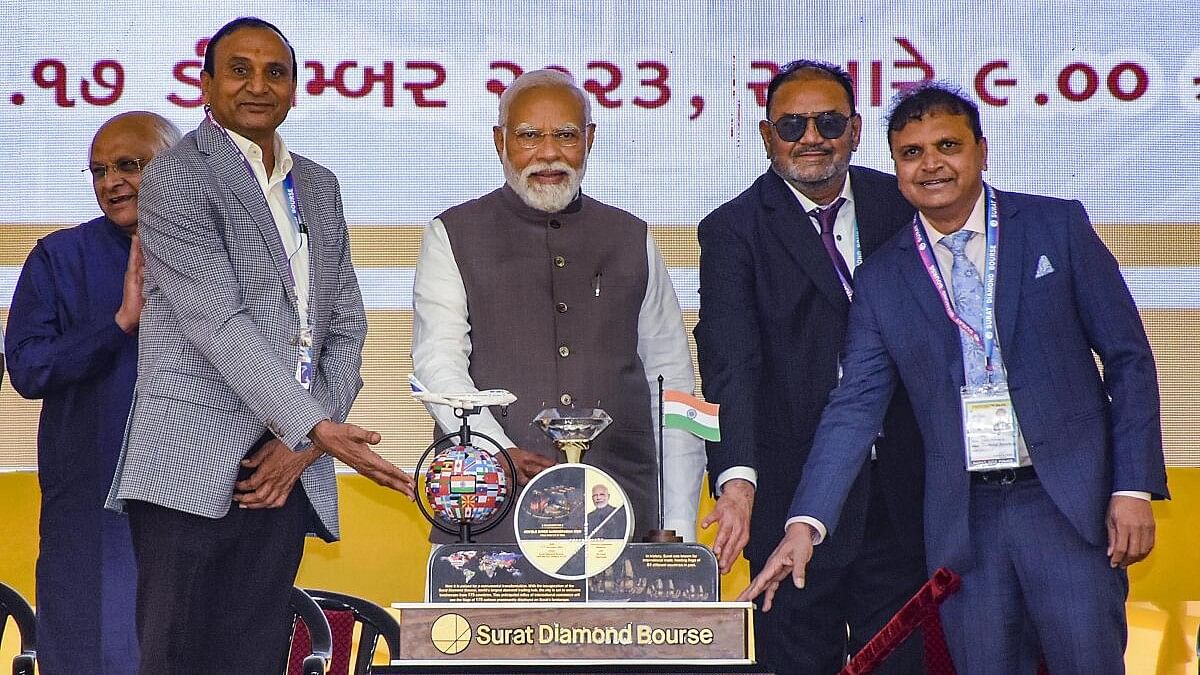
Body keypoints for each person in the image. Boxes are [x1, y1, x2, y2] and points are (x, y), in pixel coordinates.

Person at [741, 83, 1168, 673]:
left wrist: (1133, 486)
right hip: (962, 521)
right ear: (895, 168)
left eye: (948, 145)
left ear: (982, 151)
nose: (931, 163)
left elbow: (1129, 360)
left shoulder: (1055, 227)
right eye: (912, 152)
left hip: (1067, 506)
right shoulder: (884, 277)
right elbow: (854, 408)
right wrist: (806, 524)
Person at [104, 18, 415, 675]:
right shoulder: (177, 178)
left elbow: (346, 327)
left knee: (254, 656)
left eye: (275, 71)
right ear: (206, 85)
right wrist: (317, 426)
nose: (258, 84)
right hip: (188, 466)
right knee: (177, 658)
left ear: (295, 90)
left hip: (285, 468)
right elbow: (217, 321)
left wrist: (302, 443)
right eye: (239, 69)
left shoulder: (321, 186)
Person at [694, 60, 927, 674]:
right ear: (767, 135)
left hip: (907, 493)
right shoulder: (731, 231)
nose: (811, 138)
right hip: (788, 498)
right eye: (792, 125)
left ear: (854, 129)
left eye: (828, 122)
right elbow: (729, 364)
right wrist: (737, 482)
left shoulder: (902, 203)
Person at [412, 69, 704, 543]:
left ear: (589, 139)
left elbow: (672, 385)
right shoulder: (452, 234)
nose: (549, 153)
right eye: (529, 136)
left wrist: (679, 525)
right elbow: (437, 365)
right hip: (491, 511)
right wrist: (498, 453)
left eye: (565, 135)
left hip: (626, 516)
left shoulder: (632, 237)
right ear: (499, 141)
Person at [6, 112, 180, 674]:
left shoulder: (220, 254)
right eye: (99, 170)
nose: (111, 182)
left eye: (129, 165)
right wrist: (119, 323)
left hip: (197, 506)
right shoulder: (61, 258)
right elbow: (28, 369)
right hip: (93, 509)